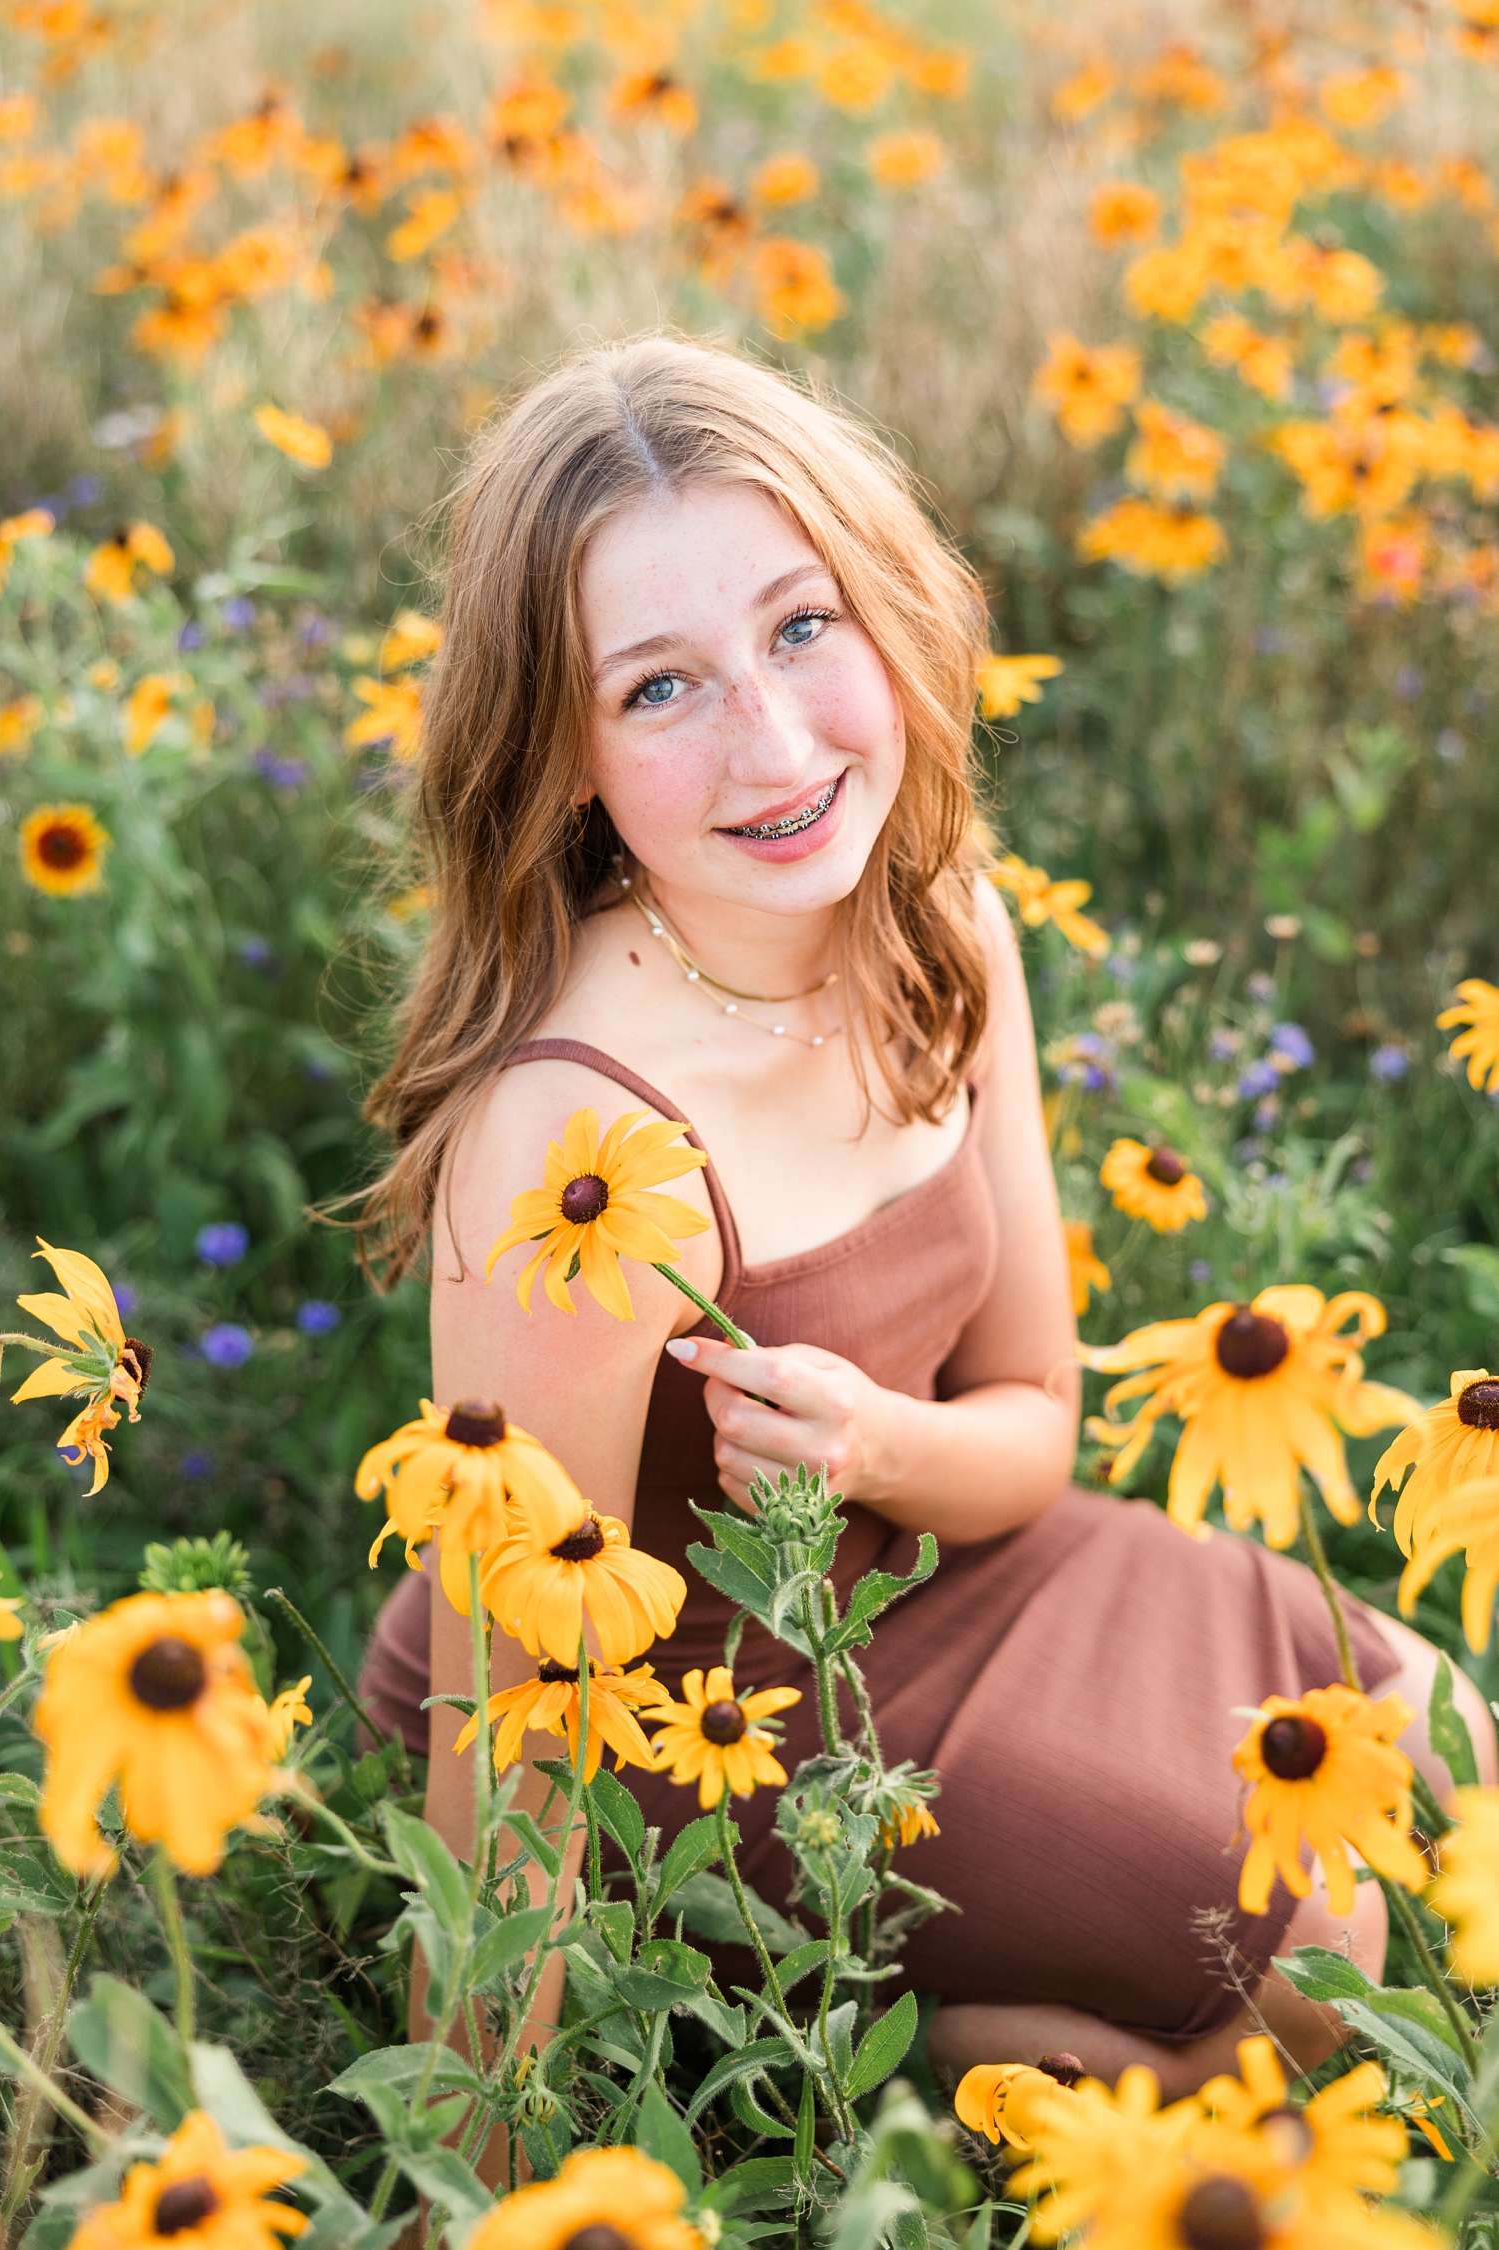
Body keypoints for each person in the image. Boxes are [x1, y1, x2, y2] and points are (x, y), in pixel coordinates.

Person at [357, 332, 1494, 2096]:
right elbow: (514, 1732)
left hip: (962, 1548)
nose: (779, 737)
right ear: (564, 750)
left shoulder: (945, 921)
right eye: (659, 687)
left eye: (803, 627)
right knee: (1330, 1951)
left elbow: (1034, 1430)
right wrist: (471, 2162)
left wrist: (879, 1441)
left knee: (1454, 1753)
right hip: (705, 1717)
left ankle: (993, 2055)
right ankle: (927, 2063)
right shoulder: (570, 1140)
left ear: (883, 608)